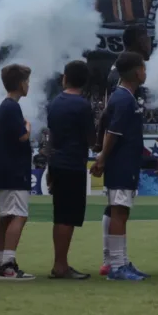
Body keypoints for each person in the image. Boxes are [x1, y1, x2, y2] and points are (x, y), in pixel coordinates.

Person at [94, 52, 149, 281]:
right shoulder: (124, 99)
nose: (145, 73)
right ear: (137, 72)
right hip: (121, 164)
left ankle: (121, 261)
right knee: (119, 211)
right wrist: (103, 158)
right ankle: (116, 266)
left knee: (121, 211)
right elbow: (112, 133)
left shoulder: (123, 97)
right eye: (144, 68)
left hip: (125, 163)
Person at [43, 59, 95, 280]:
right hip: (73, 164)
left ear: (65, 77)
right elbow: (91, 139)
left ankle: (59, 263)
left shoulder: (55, 102)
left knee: (60, 215)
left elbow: (52, 135)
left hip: (57, 162)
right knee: (68, 217)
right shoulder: (83, 106)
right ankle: (61, 265)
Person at [0, 62, 35, 281]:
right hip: (15, 171)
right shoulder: (11, 107)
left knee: (5, 216)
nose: (28, 85)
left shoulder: (4, 106)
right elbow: (22, 136)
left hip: (3, 168)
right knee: (19, 215)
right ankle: (8, 264)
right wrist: (28, 127)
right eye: (26, 81)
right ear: (19, 83)